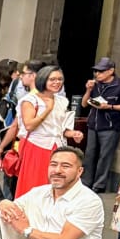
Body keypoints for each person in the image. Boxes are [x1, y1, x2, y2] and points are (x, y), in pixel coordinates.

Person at [12, 65, 81, 195]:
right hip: (37, 146)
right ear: (43, 79)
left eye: (60, 79)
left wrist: (73, 133)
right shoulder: (30, 100)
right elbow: (29, 125)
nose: (57, 82)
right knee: (34, 184)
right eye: (52, 79)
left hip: (58, 147)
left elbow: (60, 128)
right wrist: (47, 109)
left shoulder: (62, 101)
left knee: (56, 183)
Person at [81, 57, 120, 193]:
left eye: (101, 71)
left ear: (111, 71)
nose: (97, 74)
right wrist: (88, 90)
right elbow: (84, 104)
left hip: (110, 126)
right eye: (96, 71)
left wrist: (109, 106)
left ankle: (99, 185)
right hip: (93, 124)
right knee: (89, 154)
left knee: (105, 156)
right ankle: (85, 182)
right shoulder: (95, 84)